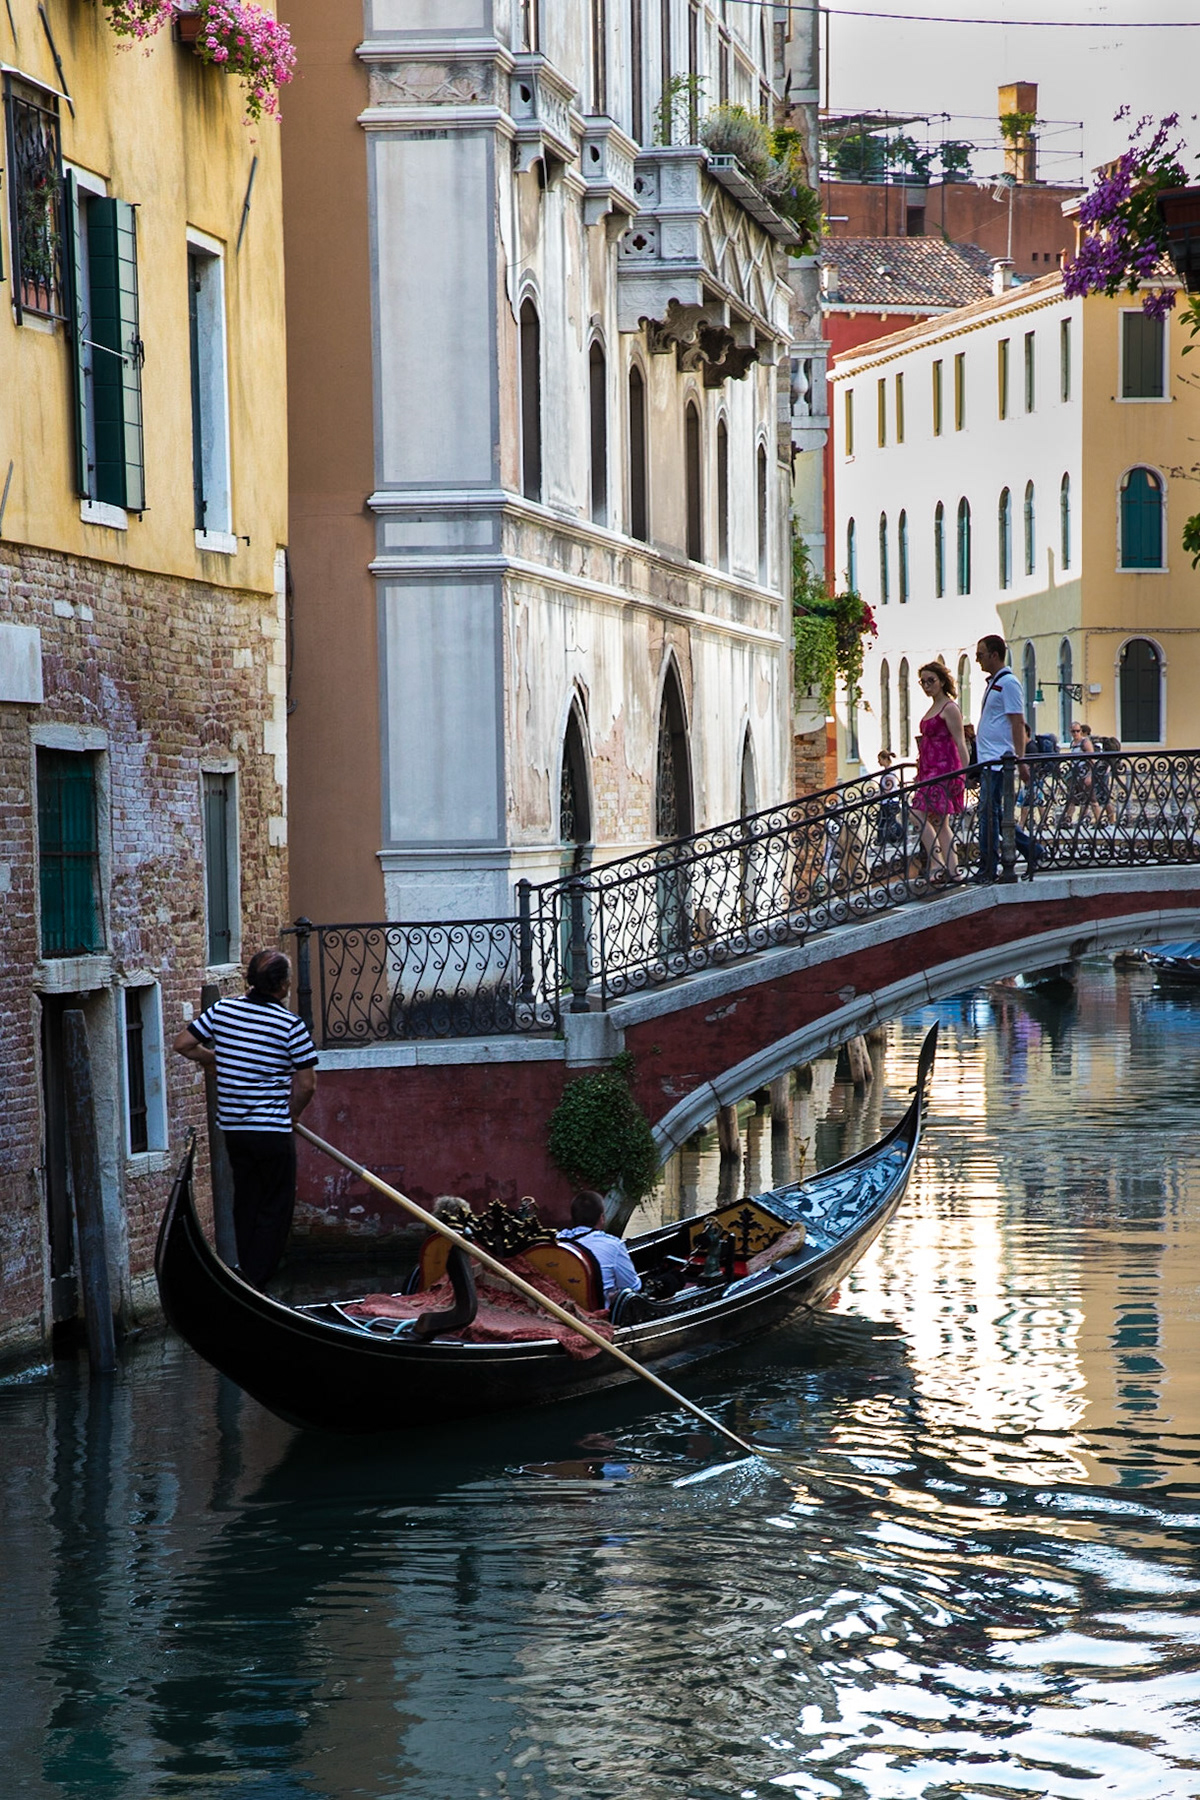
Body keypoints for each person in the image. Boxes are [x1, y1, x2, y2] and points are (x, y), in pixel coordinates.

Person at [173, 949, 318, 1288]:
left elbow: (183, 1044)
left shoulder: (223, 1010)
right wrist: (293, 1114)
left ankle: (244, 1279)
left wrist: (213, 1059)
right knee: (275, 1208)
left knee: (247, 1202)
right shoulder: (290, 1025)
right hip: (272, 1132)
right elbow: (307, 1084)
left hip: (235, 1130)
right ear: (282, 985)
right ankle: (256, 1283)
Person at [973, 635, 1042, 882]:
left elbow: (1017, 722)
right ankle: (1032, 851)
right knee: (995, 815)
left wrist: (1020, 761)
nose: (977, 659)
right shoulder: (995, 683)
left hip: (998, 761)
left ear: (994, 655)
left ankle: (988, 867)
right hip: (989, 760)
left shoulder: (1009, 684)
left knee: (989, 815)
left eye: (980, 654)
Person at [911, 661, 968, 884]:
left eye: (931, 681)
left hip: (944, 770)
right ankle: (952, 870)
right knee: (939, 822)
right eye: (923, 682)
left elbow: (960, 742)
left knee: (918, 814)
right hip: (928, 770)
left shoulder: (950, 708)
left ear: (942, 681)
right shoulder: (934, 707)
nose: (927, 686)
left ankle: (937, 864)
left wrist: (964, 774)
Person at [557, 1190, 641, 1308]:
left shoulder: (557, 1239)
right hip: (596, 1313)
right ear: (601, 1218)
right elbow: (632, 1287)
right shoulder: (614, 1245)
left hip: (560, 1308)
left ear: (573, 1217)